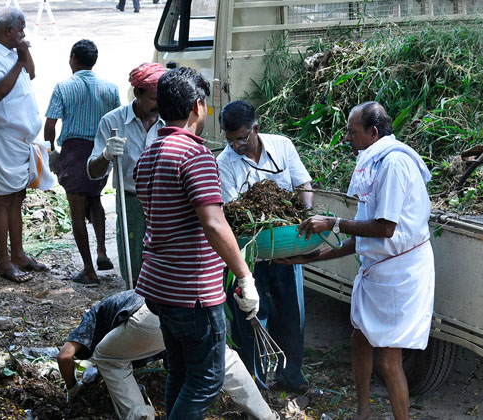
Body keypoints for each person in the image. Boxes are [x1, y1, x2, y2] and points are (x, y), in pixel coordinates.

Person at [280, 101, 435, 420]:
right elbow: (359, 239)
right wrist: (306, 258)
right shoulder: (374, 161)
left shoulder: (393, 164)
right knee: (360, 341)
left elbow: (385, 228)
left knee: (389, 361)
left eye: (352, 132)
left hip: (401, 275)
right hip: (380, 272)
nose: (347, 138)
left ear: (372, 132)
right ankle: (363, 411)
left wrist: (332, 222)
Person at [133, 67, 260, 419]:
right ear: (197, 107)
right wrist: (245, 277)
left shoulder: (149, 154)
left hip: (160, 286)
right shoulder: (194, 154)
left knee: (181, 370)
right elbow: (214, 222)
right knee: (206, 378)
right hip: (192, 292)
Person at [216, 100, 315, 394]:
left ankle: (291, 377)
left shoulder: (282, 146)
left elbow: (303, 184)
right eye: (230, 140)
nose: (235, 146)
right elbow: (232, 212)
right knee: (250, 320)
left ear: (256, 128)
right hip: (249, 255)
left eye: (241, 138)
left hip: (286, 249)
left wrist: (306, 213)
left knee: (291, 316)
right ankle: (254, 385)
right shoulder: (224, 163)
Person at [57, 290, 279, 420]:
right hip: (183, 304)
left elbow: (65, 356)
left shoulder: (94, 317)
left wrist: (73, 389)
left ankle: (140, 416)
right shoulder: (118, 302)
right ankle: (265, 415)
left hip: (146, 316)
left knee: (107, 357)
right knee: (222, 358)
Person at [0, 6, 54, 283]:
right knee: (4, 198)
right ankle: (2, 261)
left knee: (18, 197)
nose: (24, 34)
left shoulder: (11, 53)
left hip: (21, 141)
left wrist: (23, 56)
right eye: (21, 29)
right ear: (8, 30)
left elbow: (30, 73)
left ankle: (18, 254)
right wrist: (19, 61)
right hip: (4, 140)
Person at [44, 39, 119, 285]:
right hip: (100, 151)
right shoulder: (110, 88)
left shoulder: (63, 87)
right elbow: (117, 120)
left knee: (77, 210)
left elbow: (50, 126)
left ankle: (89, 270)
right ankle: (101, 252)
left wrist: (51, 151)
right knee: (95, 199)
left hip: (74, 151)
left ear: (73, 58)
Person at [88, 62, 166, 285]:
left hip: (165, 199)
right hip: (131, 201)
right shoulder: (113, 121)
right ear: (137, 93)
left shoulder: (171, 119)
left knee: (165, 261)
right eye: (153, 99)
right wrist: (106, 154)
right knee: (133, 261)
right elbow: (93, 171)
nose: (159, 105)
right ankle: (136, 301)